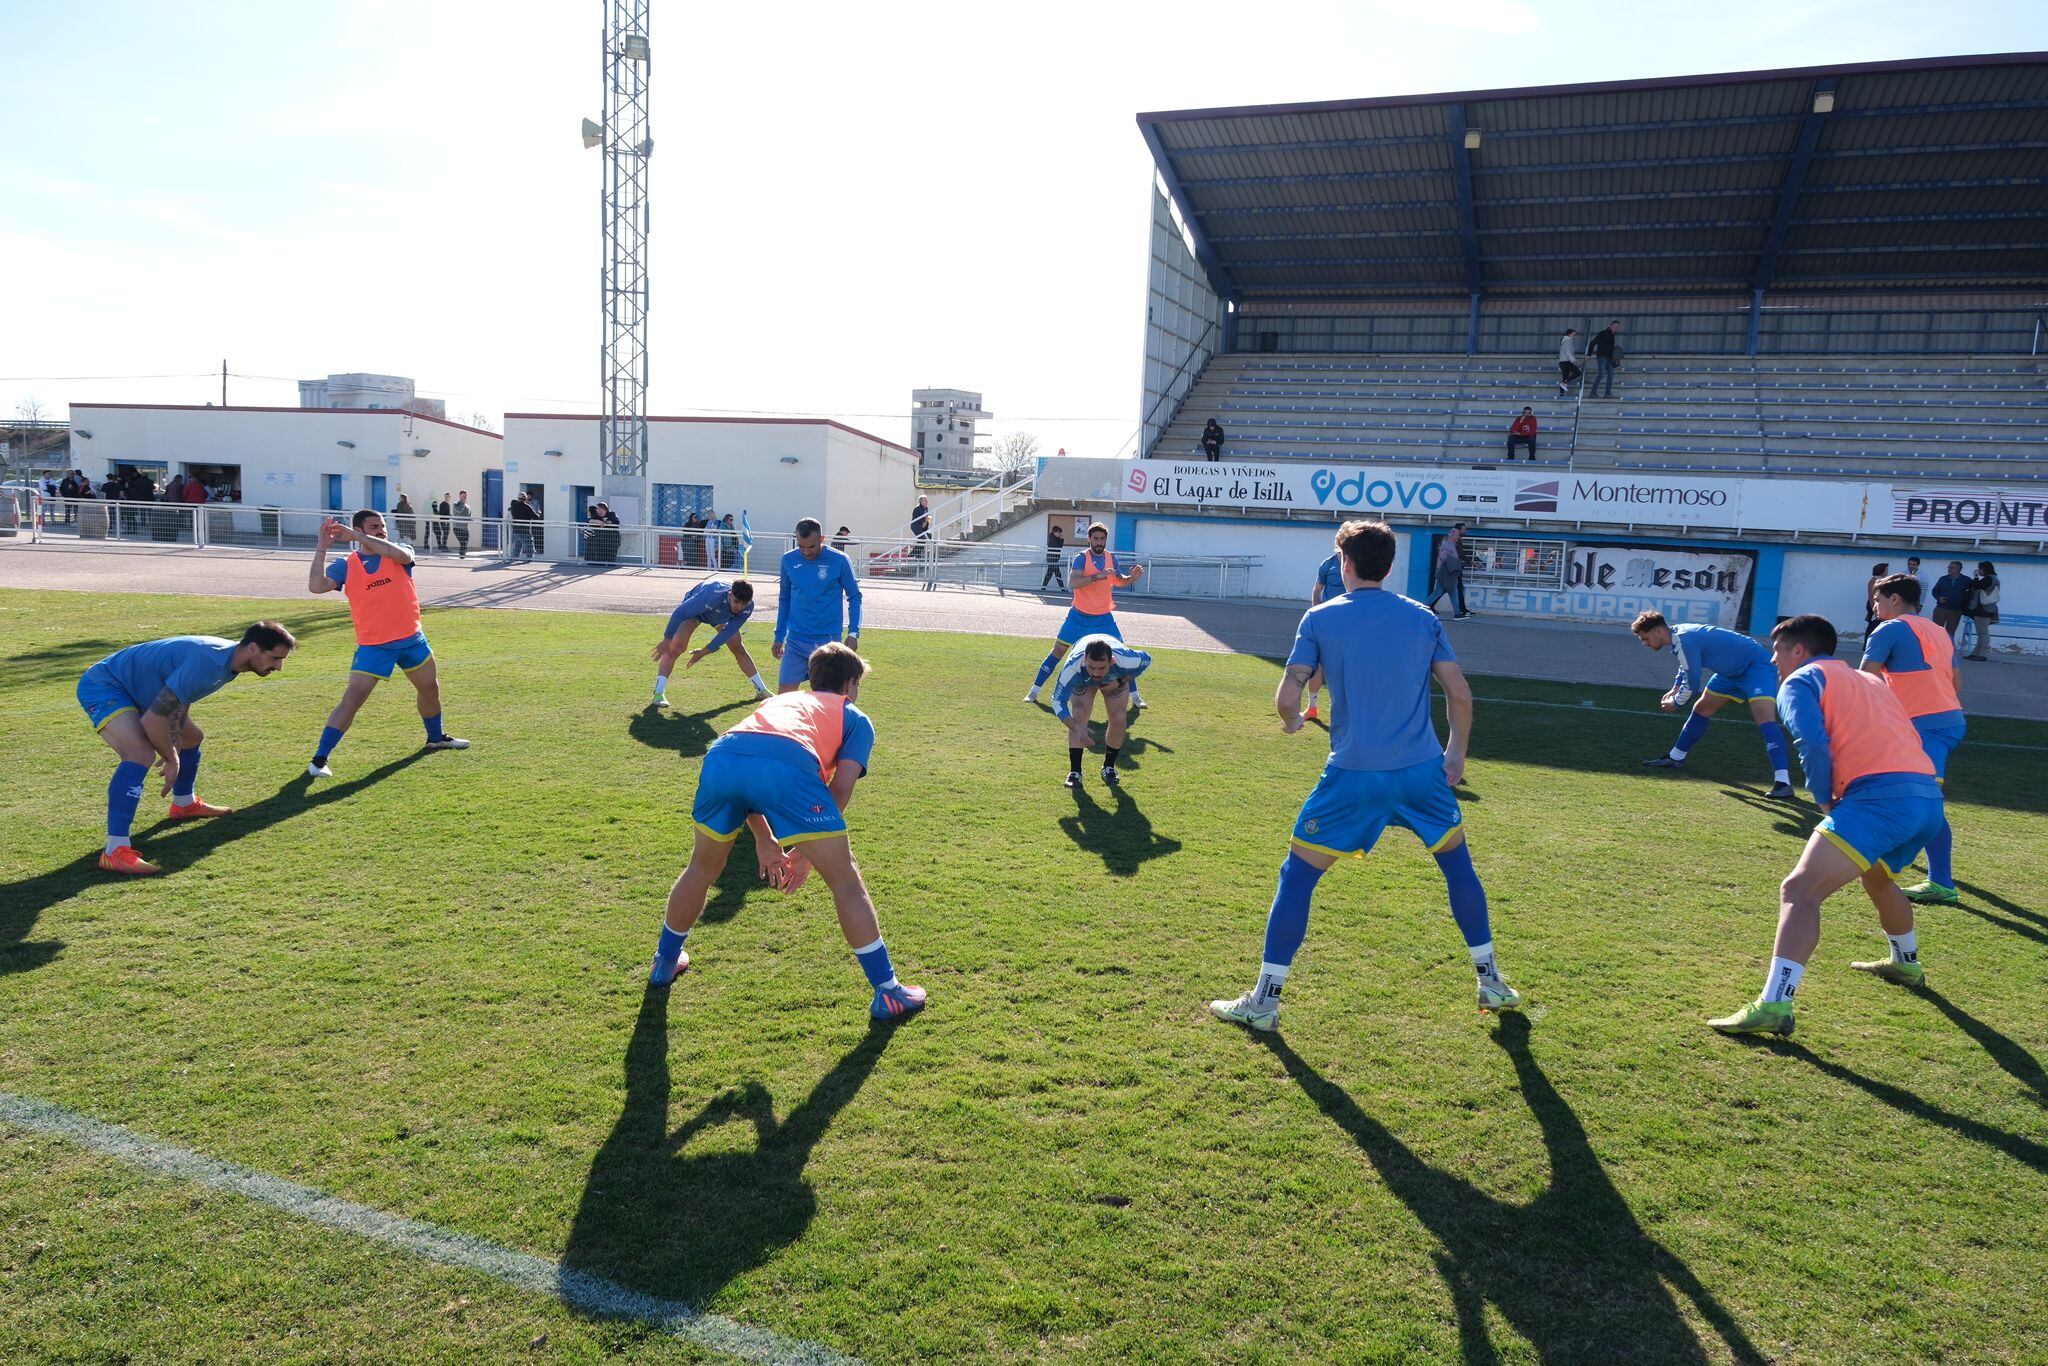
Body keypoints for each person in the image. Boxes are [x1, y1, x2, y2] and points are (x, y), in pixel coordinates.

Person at [1209, 519, 1521, 1030]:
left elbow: (1289, 697)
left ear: (1344, 564)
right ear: (1390, 566)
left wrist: (1292, 722)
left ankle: (1265, 1002)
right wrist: (1456, 755)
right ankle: (1491, 981)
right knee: (1458, 868)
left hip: (1353, 776)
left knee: (1298, 877)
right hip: (1423, 774)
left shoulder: (1320, 618)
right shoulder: (1423, 617)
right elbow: (1460, 695)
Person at [644, 643, 926, 1021]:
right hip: (785, 763)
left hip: (723, 756)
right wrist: (805, 852)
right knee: (845, 879)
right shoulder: (854, 716)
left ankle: (665, 960)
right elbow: (839, 789)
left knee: (701, 869)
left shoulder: (779, 701)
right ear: (851, 684)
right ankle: (889, 992)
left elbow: (751, 762)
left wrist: (763, 836)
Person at [1707, 615, 1942, 1037]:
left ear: (1799, 650)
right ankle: (1906, 965)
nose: (1774, 659)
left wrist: (1821, 795)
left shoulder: (1800, 681)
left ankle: (1776, 1004)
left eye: (1777, 650)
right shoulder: (1870, 681)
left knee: (1799, 891)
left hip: (1878, 800)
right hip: (1926, 799)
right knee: (1879, 880)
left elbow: (1811, 741)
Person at [75, 623, 298, 875]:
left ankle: (183, 804)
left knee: (191, 738)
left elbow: (182, 694)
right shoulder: (209, 661)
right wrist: (171, 758)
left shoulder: (229, 661)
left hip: (142, 690)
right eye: (275, 658)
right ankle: (115, 851)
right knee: (140, 754)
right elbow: (153, 719)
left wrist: (176, 736)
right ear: (254, 648)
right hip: (106, 685)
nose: (278, 666)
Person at [305, 509, 470, 777]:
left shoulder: (399, 551)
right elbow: (317, 586)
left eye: (382, 526)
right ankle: (319, 760)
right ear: (359, 530)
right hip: (374, 647)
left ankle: (435, 737)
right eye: (373, 527)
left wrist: (358, 536)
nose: (381, 530)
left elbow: (402, 556)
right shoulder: (347, 563)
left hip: (412, 640)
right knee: (352, 701)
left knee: (430, 689)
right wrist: (321, 548)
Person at [1862, 574, 1966, 906]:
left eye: (1878, 600)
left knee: (1925, 803)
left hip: (1923, 727)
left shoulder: (1888, 629)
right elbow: (1957, 682)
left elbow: (1864, 680)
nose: (1874, 606)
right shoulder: (1939, 631)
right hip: (1947, 722)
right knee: (1921, 799)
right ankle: (1933, 878)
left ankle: (1933, 880)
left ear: (1895, 599)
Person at [1631, 612, 1794, 798]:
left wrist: (1676, 702)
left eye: (1645, 638)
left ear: (1658, 631)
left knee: (1766, 722)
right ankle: (1675, 758)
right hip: (1730, 674)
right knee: (1701, 710)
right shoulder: (1678, 636)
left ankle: (1783, 783)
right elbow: (1686, 664)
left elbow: (1693, 683)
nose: (1644, 643)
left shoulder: (1684, 639)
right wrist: (1676, 687)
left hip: (1756, 668)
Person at [1025, 522, 1147, 709]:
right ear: (1089, 539)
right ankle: (1034, 691)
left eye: (1102, 539)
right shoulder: (1082, 558)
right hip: (1079, 617)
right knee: (1057, 652)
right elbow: (1073, 582)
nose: (1099, 542)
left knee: (1122, 655)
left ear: (1106, 539)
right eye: (1096, 538)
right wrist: (1097, 576)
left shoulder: (1111, 558)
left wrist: (1132, 578)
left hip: (1103, 618)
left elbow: (1118, 580)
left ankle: (1136, 697)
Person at [773, 516, 863, 693]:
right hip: (796, 641)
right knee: (784, 700)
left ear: (822, 539)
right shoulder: (788, 560)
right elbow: (785, 600)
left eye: (811, 546)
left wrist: (853, 633)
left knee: (828, 701)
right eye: (801, 546)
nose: (806, 552)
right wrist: (779, 636)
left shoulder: (839, 560)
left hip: (828, 646)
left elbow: (855, 597)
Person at [1050, 634, 1152, 789]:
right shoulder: (1073, 667)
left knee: (1119, 716)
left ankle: (1109, 768)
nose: (1096, 673)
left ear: (1111, 661)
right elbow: (1057, 701)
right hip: (1082, 679)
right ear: (1085, 659)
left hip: (1115, 677)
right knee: (1079, 714)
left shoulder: (1126, 658)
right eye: (1092, 667)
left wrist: (1120, 681)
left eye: (1101, 668)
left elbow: (1147, 660)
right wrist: (1077, 727)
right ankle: (1075, 772)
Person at [653, 578, 770, 706]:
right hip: (697, 611)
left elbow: (727, 633)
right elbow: (679, 613)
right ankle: (658, 693)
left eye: (744, 603)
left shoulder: (748, 606)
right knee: (676, 647)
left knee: (738, 647)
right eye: (736, 602)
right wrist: (667, 639)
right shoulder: (710, 595)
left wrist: (704, 651)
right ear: (730, 594)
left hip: (720, 616)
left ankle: (761, 690)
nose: (739, 607)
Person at [1302, 548, 1347, 722]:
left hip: (1349, 622)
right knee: (1318, 665)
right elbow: (1317, 590)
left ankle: (1346, 709)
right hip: (1328, 622)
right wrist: (1317, 614)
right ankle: (1312, 707)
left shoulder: (1357, 563)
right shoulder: (1328, 564)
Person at [1423, 524, 1471, 620]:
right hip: (1445, 574)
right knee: (1438, 592)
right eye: (1457, 535)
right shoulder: (1448, 545)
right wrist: (1455, 562)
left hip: (1450, 574)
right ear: (1452, 535)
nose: (1459, 537)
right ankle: (1423, 608)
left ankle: (1457, 613)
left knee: (1453, 592)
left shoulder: (1452, 545)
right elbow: (1443, 557)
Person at [1963, 561, 1999, 661]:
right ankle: (1976, 653)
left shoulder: (1988, 578)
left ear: (1984, 569)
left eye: (1980, 569)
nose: (1979, 571)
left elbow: (1976, 585)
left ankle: (1982, 654)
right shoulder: (1994, 578)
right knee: (1981, 632)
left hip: (1983, 609)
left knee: (1983, 633)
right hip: (1987, 609)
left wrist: (1975, 576)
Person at [1930, 560, 1972, 637]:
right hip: (1941, 609)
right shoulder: (1943, 579)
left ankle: (1947, 648)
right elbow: (1934, 591)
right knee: (1936, 631)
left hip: (1956, 610)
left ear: (1959, 569)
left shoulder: (1966, 580)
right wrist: (1939, 598)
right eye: (1949, 567)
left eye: (1952, 567)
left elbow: (1973, 592)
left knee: (1950, 633)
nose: (1949, 569)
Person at [1588, 320, 1622, 399]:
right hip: (1602, 357)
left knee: (1611, 375)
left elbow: (1610, 349)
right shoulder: (1602, 333)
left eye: (1617, 328)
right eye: (1615, 327)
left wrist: (1615, 358)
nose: (1616, 329)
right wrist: (1588, 354)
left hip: (1609, 358)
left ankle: (1607, 393)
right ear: (1610, 326)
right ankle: (1593, 393)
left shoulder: (1612, 336)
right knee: (1601, 374)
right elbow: (1593, 343)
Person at [1861, 562, 1890, 641]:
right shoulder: (1874, 581)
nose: (1887, 571)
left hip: (1878, 605)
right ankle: (1867, 643)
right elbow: (1871, 596)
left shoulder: (1880, 580)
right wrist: (1874, 609)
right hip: (1875, 605)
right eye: (1886, 570)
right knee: (1873, 625)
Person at [508, 491, 539, 560]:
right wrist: (538, 512)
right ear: (526, 499)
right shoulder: (527, 507)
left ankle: (513, 559)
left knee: (517, 547)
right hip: (525, 531)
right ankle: (529, 561)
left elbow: (513, 502)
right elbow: (536, 517)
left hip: (515, 531)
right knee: (530, 548)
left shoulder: (514, 505)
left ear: (518, 498)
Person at [1556, 329, 1582, 398]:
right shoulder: (1568, 341)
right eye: (1574, 335)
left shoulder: (1563, 342)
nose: (1574, 337)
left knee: (1565, 376)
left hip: (1562, 362)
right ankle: (1564, 382)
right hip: (1566, 361)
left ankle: (1561, 393)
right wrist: (1573, 360)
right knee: (1578, 373)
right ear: (1569, 334)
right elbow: (1568, 352)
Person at [1041, 522, 1066, 590]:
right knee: (1055, 573)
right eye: (1059, 533)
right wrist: (1061, 539)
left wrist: (1061, 539)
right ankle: (1062, 588)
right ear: (1055, 532)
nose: (1060, 534)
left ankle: (1043, 587)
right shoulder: (1052, 538)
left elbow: (1060, 546)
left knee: (1052, 573)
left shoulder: (1055, 538)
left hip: (1055, 558)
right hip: (1051, 558)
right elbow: (1059, 546)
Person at [910, 496, 933, 565]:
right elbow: (920, 519)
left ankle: (915, 552)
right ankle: (915, 553)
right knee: (923, 538)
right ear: (921, 501)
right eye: (925, 500)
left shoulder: (926, 509)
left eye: (927, 500)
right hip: (916, 526)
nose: (926, 502)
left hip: (922, 526)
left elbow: (925, 521)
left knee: (928, 535)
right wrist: (925, 520)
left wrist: (926, 522)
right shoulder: (917, 509)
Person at [451, 491, 472, 559]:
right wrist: (463, 503)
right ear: (460, 496)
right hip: (457, 528)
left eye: (466, 496)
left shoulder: (468, 506)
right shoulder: (456, 504)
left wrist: (471, 519)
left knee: (465, 544)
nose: (464, 497)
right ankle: (461, 556)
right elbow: (459, 510)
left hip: (466, 528)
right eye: (463, 495)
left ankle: (463, 556)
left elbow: (469, 516)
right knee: (463, 543)